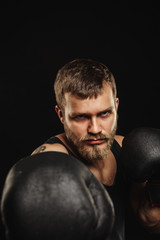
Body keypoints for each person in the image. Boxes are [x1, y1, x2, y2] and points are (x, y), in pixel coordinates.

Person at [2, 58, 160, 240]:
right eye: (81, 117)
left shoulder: (128, 150)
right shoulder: (53, 158)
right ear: (61, 114)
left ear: (116, 107)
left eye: (104, 114)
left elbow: (151, 221)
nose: (95, 129)